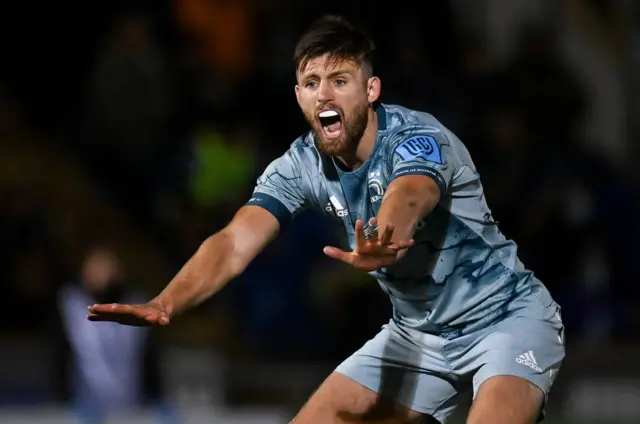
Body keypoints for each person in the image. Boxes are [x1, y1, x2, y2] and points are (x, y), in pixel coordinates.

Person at [88, 15, 565, 424]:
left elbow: (411, 194)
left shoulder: (417, 137)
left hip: (506, 318)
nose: (324, 94)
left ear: (371, 89)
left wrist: (383, 236)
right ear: (299, 96)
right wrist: (169, 299)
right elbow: (235, 241)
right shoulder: (299, 166)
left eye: (340, 79)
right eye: (312, 83)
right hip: (419, 334)